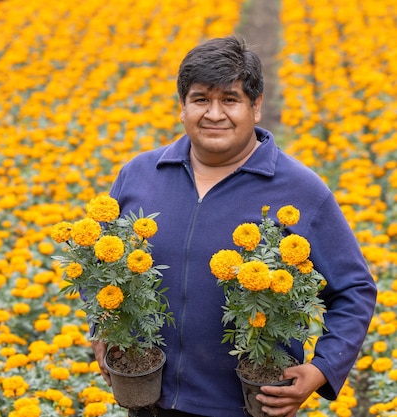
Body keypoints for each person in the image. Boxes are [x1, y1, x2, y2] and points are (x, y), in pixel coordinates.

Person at [91, 36, 377, 417]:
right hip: (148, 399)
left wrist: (323, 369)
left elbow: (355, 288)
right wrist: (102, 327)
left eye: (229, 99)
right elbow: (101, 267)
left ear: (255, 107)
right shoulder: (140, 175)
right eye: (200, 99)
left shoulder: (299, 190)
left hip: (249, 404)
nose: (214, 114)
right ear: (182, 107)